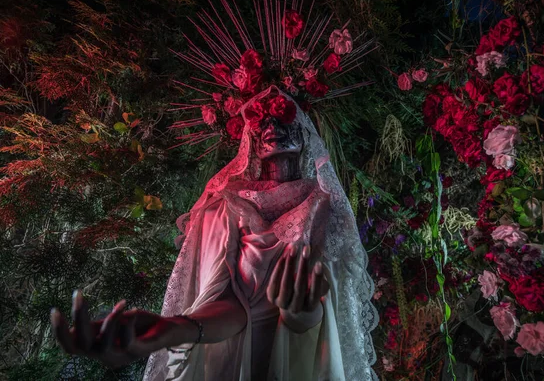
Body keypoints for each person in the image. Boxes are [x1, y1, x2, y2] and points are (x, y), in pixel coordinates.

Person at [51, 86, 378, 380]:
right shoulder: (223, 208)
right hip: (228, 364)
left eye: (283, 116)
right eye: (260, 121)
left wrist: (302, 314)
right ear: (248, 134)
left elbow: (335, 316)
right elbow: (228, 304)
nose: (271, 128)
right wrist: (169, 329)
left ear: (306, 128)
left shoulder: (325, 208)